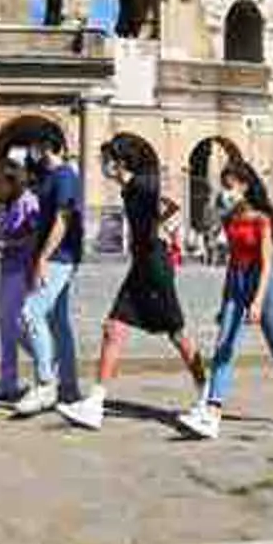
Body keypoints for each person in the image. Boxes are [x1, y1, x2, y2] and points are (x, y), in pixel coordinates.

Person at [59, 139, 208, 430]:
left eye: (106, 160)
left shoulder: (141, 184)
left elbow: (171, 202)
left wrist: (160, 230)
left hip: (155, 267)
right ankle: (95, 403)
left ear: (119, 162)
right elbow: (168, 207)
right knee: (113, 328)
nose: (102, 165)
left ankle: (207, 394)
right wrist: (157, 225)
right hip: (140, 265)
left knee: (178, 333)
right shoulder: (129, 188)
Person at [177, 160, 273, 440]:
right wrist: (226, 299)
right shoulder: (230, 218)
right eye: (223, 185)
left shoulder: (262, 218)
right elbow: (233, 260)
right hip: (237, 281)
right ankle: (212, 414)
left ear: (244, 186)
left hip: (263, 284)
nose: (225, 191)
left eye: (229, 185)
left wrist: (258, 301)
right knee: (223, 347)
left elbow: (266, 264)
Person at [12, 133, 84, 417]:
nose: (31, 153)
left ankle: (45, 383)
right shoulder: (48, 176)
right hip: (53, 256)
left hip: (59, 257)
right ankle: (68, 386)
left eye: (34, 147)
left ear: (45, 148)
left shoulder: (65, 175)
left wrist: (43, 257)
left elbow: (63, 218)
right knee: (58, 322)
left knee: (30, 314)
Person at [0, 158, 41, 404]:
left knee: (18, 326)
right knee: (6, 326)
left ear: (13, 181)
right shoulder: (11, 204)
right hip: (7, 268)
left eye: (1, 182)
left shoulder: (29, 202)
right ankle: (8, 380)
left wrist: (7, 243)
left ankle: (47, 365)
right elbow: (8, 236)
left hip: (22, 269)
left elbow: (35, 236)